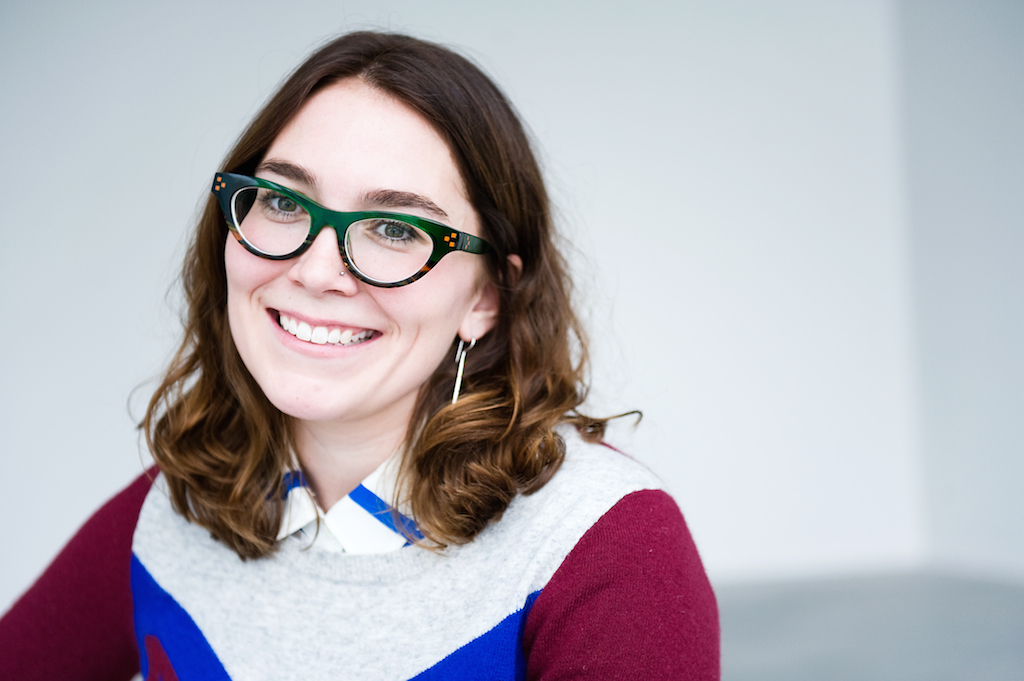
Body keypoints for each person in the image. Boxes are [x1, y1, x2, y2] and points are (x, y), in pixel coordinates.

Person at [0, 31, 719, 680]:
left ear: (486, 297)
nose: (315, 271)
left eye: (394, 229)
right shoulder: (170, 512)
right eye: (282, 203)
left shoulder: (607, 547)